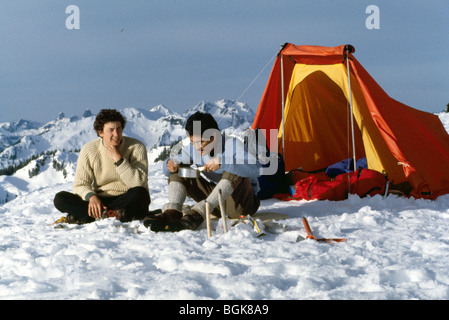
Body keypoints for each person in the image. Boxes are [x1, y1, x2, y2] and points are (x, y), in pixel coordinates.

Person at [144, 111, 261, 232]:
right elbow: (172, 165)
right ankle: (173, 212)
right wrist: (169, 164)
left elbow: (257, 168)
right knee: (180, 169)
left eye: (201, 142)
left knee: (233, 169)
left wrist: (223, 162)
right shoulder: (194, 149)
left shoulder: (232, 144)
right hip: (215, 204)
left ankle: (200, 212)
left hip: (241, 206)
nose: (197, 147)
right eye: (193, 142)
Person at [53, 109, 151, 224]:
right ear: (101, 132)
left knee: (141, 193)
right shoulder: (89, 150)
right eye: (111, 130)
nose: (116, 134)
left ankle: (89, 216)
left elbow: (138, 183)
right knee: (60, 198)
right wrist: (91, 197)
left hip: (127, 199)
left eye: (119, 129)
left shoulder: (136, 147)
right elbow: (80, 184)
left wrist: (119, 160)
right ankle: (112, 214)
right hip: (101, 200)